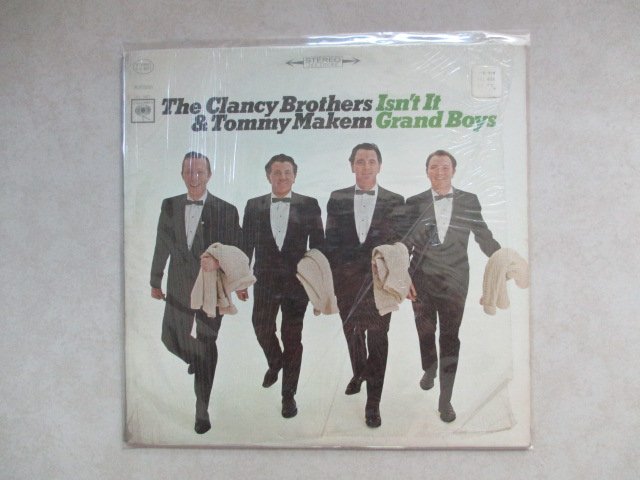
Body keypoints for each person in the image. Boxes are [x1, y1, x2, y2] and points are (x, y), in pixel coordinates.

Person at [150, 151, 245, 434]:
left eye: (200, 172)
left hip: (211, 289)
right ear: (182, 174)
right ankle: (198, 360)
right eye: (189, 171)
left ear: (209, 175)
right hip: (178, 285)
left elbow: (237, 250)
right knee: (170, 337)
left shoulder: (226, 210)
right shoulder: (169, 205)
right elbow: (161, 243)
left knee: (206, 341)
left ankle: (201, 410)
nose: (194, 177)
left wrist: (235, 278)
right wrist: (155, 280)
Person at [403, 149, 501, 423]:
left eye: (445, 166)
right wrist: (403, 277)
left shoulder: (469, 201)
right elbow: (404, 242)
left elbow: (484, 236)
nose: (439, 171)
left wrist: (502, 258)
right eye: (434, 166)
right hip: (419, 280)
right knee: (425, 331)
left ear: (453, 170)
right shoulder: (414, 202)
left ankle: (445, 400)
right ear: (427, 171)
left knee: (450, 338)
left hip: (455, 281)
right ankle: (429, 368)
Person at [324, 143, 404, 428]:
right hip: (346, 281)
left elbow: (401, 246)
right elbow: (330, 241)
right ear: (352, 166)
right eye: (360, 161)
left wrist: (399, 278)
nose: (366, 166)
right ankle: (359, 372)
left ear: (379, 165)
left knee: (378, 339)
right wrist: (332, 278)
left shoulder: (396, 200)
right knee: (352, 332)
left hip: (380, 284)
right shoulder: (337, 198)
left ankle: (373, 404)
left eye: (371, 161)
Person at [242, 154, 324, 419]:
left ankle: (288, 396)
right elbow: (245, 246)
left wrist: (319, 287)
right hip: (264, 281)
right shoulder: (253, 205)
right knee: (260, 325)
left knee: (293, 338)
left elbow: (319, 248)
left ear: (295, 176)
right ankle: (275, 361)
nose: (282, 177)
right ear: (268, 176)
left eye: (287, 172)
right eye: (277, 172)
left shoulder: (309, 205)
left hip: (297, 284)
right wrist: (240, 280)